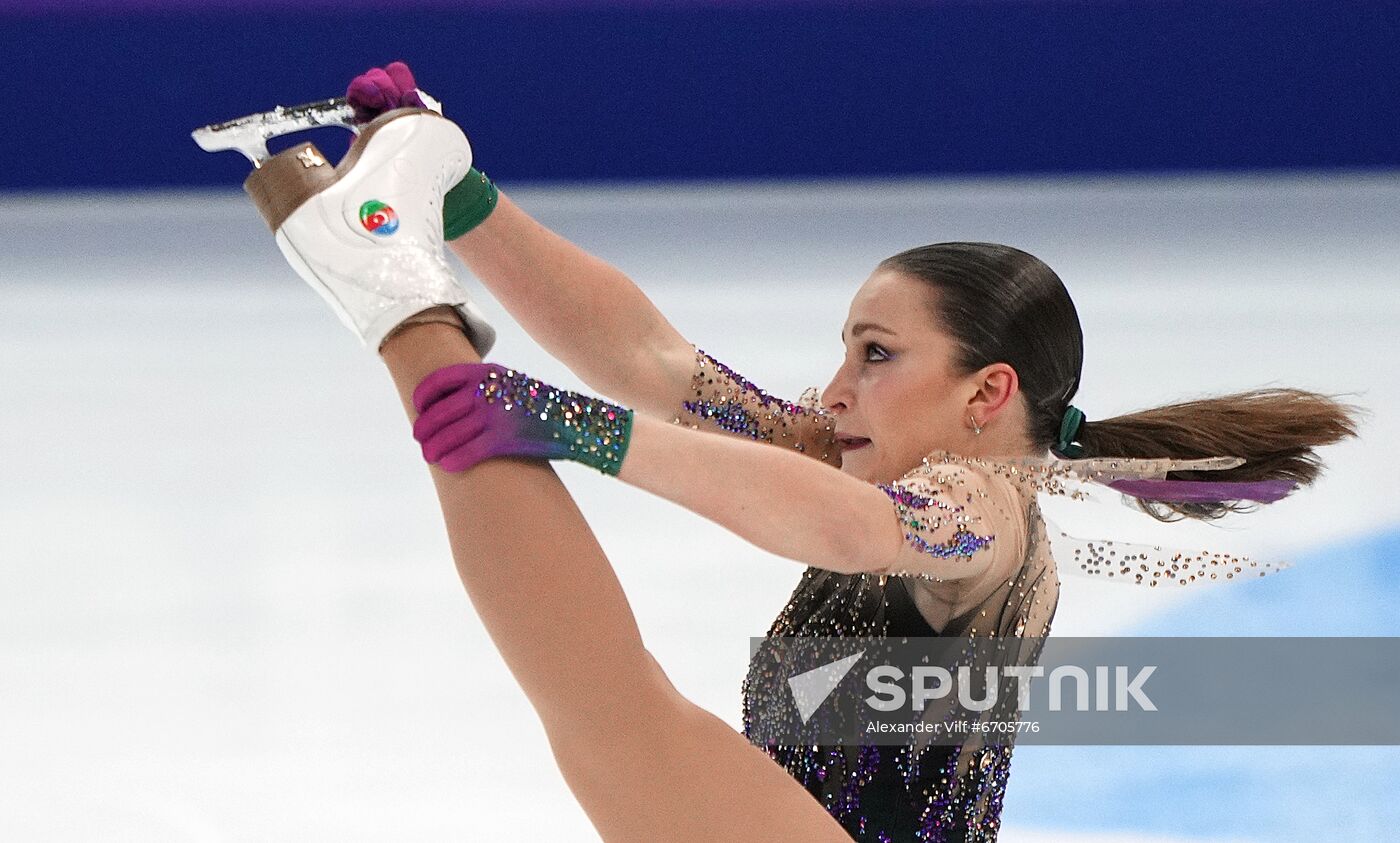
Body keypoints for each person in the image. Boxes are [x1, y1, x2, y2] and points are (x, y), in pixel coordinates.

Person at [242, 68, 1360, 841]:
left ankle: (390, 289)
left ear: (987, 393)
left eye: (875, 355)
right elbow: (653, 359)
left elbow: (839, 526)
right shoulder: (854, 452)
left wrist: (579, 431)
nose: (832, 392)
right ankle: (393, 266)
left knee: (610, 707)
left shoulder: (985, 507)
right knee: (605, 708)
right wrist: (467, 195)